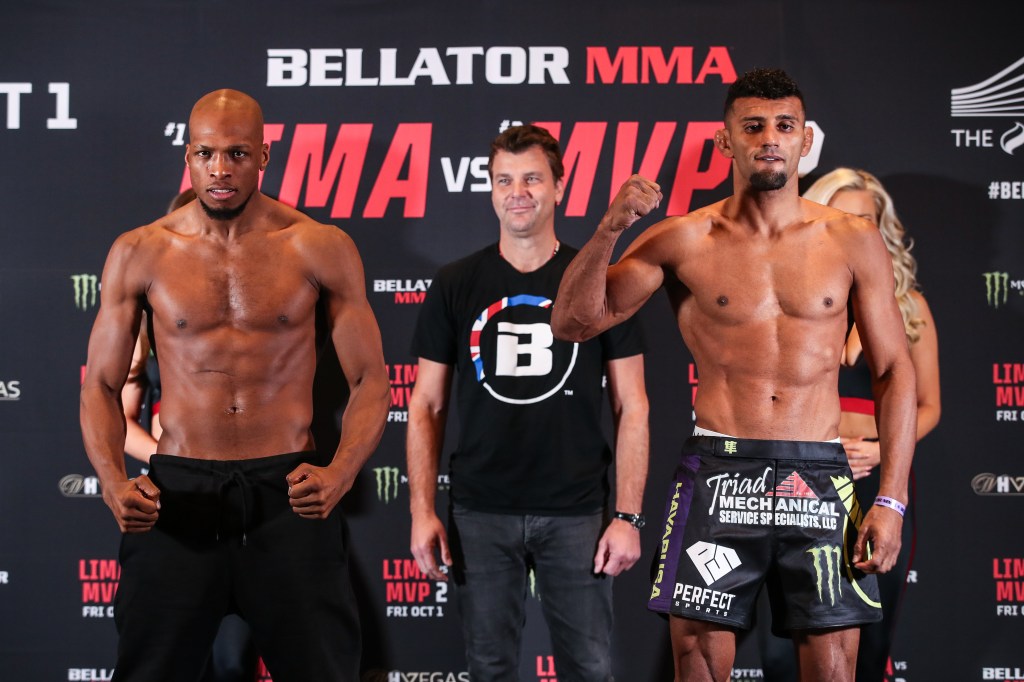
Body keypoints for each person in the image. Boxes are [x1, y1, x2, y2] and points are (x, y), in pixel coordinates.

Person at [551, 69, 917, 682]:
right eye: (752, 126)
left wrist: (892, 498)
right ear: (726, 141)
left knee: (834, 668)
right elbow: (573, 322)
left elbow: (892, 368)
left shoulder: (853, 240)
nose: (768, 138)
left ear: (804, 141)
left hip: (821, 474)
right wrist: (609, 229)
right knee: (696, 665)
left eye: (784, 126)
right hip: (722, 473)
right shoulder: (683, 239)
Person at [80, 88, 391, 681]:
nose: (220, 170)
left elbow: (371, 380)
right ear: (189, 155)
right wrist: (112, 482)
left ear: (265, 156)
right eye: (206, 154)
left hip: (289, 493)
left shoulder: (318, 245)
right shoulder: (140, 251)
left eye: (238, 154)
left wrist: (341, 472)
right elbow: (98, 384)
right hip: (178, 496)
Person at [406, 124, 650, 681]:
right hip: (480, 510)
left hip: (578, 511)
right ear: (491, 190)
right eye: (504, 180)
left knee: (589, 668)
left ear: (559, 187)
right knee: (488, 669)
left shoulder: (597, 279)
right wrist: (421, 512)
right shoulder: (455, 283)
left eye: (533, 178)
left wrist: (629, 516)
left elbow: (633, 405)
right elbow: (425, 406)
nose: (518, 192)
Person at [756, 168, 940, 682]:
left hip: (877, 481)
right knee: (785, 648)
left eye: (868, 220)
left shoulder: (909, 309)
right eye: (844, 217)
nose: (857, 230)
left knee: (868, 644)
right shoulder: (793, 303)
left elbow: (928, 404)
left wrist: (884, 453)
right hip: (800, 479)